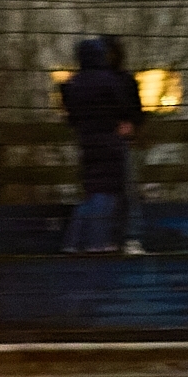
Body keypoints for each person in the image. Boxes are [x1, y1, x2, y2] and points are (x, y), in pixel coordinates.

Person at [58, 36, 147, 255]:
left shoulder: (75, 82)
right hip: (111, 141)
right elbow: (127, 107)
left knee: (95, 191)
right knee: (109, 191)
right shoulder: (112, 80)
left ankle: (76, 240)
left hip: (87, 143)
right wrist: (126, 121)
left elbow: (71, 113)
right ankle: (102, 241)